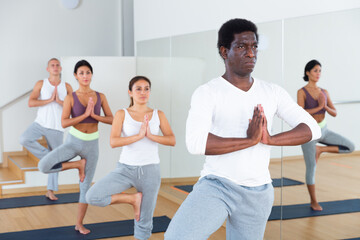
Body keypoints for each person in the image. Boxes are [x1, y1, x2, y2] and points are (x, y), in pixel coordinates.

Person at [164, 18, 321, 240]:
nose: (251, 53)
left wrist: (269, 139)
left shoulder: (272, 91)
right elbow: (196, 142)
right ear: (224, 51)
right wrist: (249, 140)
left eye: (254, 46)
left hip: (259, 192)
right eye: (241, 46)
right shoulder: (207, 92)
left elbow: (312, 128)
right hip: (217, 185)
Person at [86, 76, 176, 240]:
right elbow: (113, 141)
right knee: (93, 196)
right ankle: (133, 199)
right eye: (138, 89)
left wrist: (150, 135)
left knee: (144, 220)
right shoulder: (122, 114)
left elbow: (171, 140)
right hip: (125, 169)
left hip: (150, 171)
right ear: (130, 92)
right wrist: (139, 135)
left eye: (146, 88)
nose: (143, 92)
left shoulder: (158, 114)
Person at [38, 59, 113, 234]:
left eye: (88, 72)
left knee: (85, 188)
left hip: (92, 145)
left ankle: (79, 224)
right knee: (43, 165)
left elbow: (112, 119)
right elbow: (64, 122)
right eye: (81, 73)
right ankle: (77, 165)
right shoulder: (71, 97)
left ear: (91, 75)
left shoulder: (100, 96)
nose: (85, 76)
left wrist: (95, 115)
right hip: (73, 142)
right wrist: (84, 115)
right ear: (75, 76)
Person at [297, 60, 354, 211]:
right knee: (311, 168)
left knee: (350, 146)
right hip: (309, 133)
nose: (318, 74)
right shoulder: (301, 92)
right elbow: (300, 114)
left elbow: (334, 113)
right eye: (315, 71)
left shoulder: (324, 92)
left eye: (320, 71)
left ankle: (320, 150)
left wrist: (325, 106)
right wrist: (319, 107)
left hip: (324, 130)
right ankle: (313, 201)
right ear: (308, 72)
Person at [20, 58, 73, 200]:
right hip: (40, 123)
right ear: (48, 69)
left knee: (55, 162)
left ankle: (50, 191)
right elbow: (31, 102)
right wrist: (49, 100)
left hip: (56, 127)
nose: (55, 67)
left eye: (57, 65)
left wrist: (59, 101)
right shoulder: (41, 84)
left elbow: (72, 107)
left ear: (60, 68)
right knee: (24, 139)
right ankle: (49, 157)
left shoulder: (66, 86)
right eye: (52, 65)